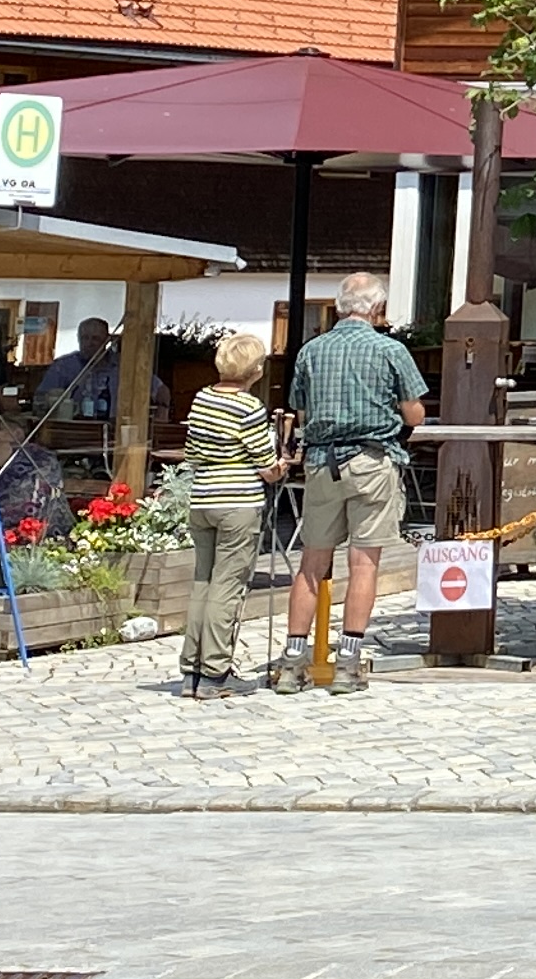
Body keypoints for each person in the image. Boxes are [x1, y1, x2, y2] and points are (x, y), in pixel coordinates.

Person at [267, 274, 422, 695]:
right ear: (375, 308)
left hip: (321, 461)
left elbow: (298, 408)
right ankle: (349, 663)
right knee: (363, 564)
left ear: (339, 307)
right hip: (372, 460)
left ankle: (292, 662)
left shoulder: (311, 351)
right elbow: (414, 414)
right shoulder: (391, 350)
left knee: (311, 564)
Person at [175, 332, 279, 699]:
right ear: (255, 370)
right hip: (237, 500)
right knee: (227, 586)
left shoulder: (202, 398)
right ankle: (217, 671)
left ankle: (192, 669)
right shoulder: (249, 408)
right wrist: (281, 465)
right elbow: (266, 466)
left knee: (202, 581)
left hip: (203, 498)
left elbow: (192, 451)